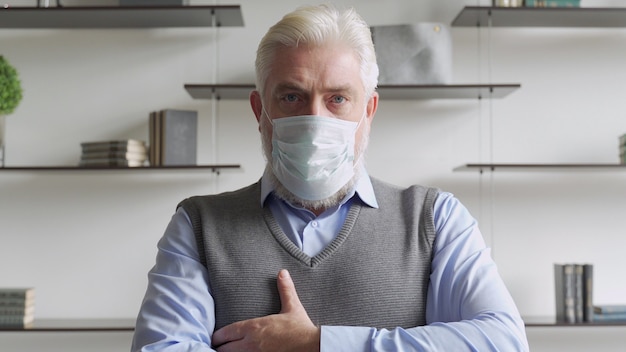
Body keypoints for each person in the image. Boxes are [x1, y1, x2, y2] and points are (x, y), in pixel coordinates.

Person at [131, 4, 529, 351]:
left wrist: (318, 343)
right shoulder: (198, 225)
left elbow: (501, 342)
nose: (315, 120)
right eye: (291, 97)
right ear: (260, 111)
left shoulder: (435, 219)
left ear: (368, 110)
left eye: (337, 98)